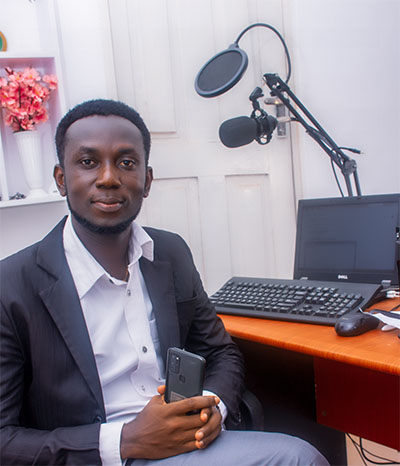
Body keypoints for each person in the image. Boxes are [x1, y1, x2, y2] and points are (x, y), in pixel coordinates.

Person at [0, 99, 329, 465]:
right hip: (94, 456)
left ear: (147, 180)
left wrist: (214, 406)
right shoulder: (11, 285)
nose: (108, 178)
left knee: (302, 456)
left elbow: (221, 353)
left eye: (127, 163)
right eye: (88, 162)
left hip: (187, 444)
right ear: (61, 179)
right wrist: (124, 441)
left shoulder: (170, 253)